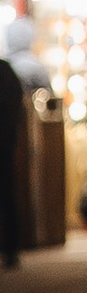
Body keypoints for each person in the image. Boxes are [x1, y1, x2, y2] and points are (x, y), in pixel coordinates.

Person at [0, 33, 26, 268]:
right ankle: (11, 249)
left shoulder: (6, 72)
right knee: (7, 196)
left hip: (5, 142)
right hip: (5, 144)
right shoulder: (6, 72)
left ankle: (10, 249)